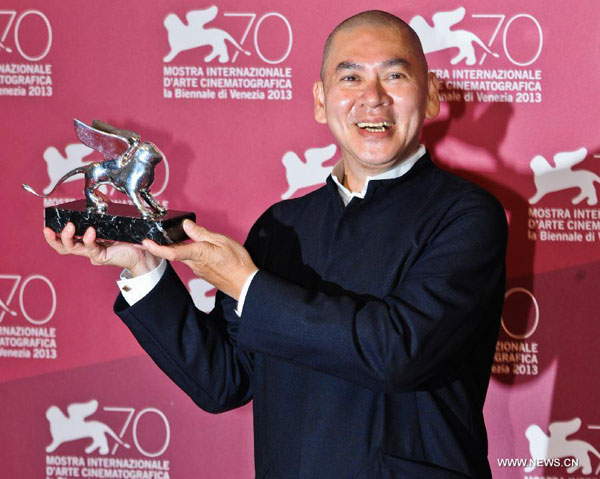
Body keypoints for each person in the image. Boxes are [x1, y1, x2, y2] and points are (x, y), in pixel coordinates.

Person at [45, 10, 507, 479]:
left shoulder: (467, 216)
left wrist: (248, 285)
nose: (373, 97)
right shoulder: (282, 225)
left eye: (394, 75)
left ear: (430, 97)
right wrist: (143, 266)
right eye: (350, 77)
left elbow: (397, 352)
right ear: (321, 101)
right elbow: (224, 380)